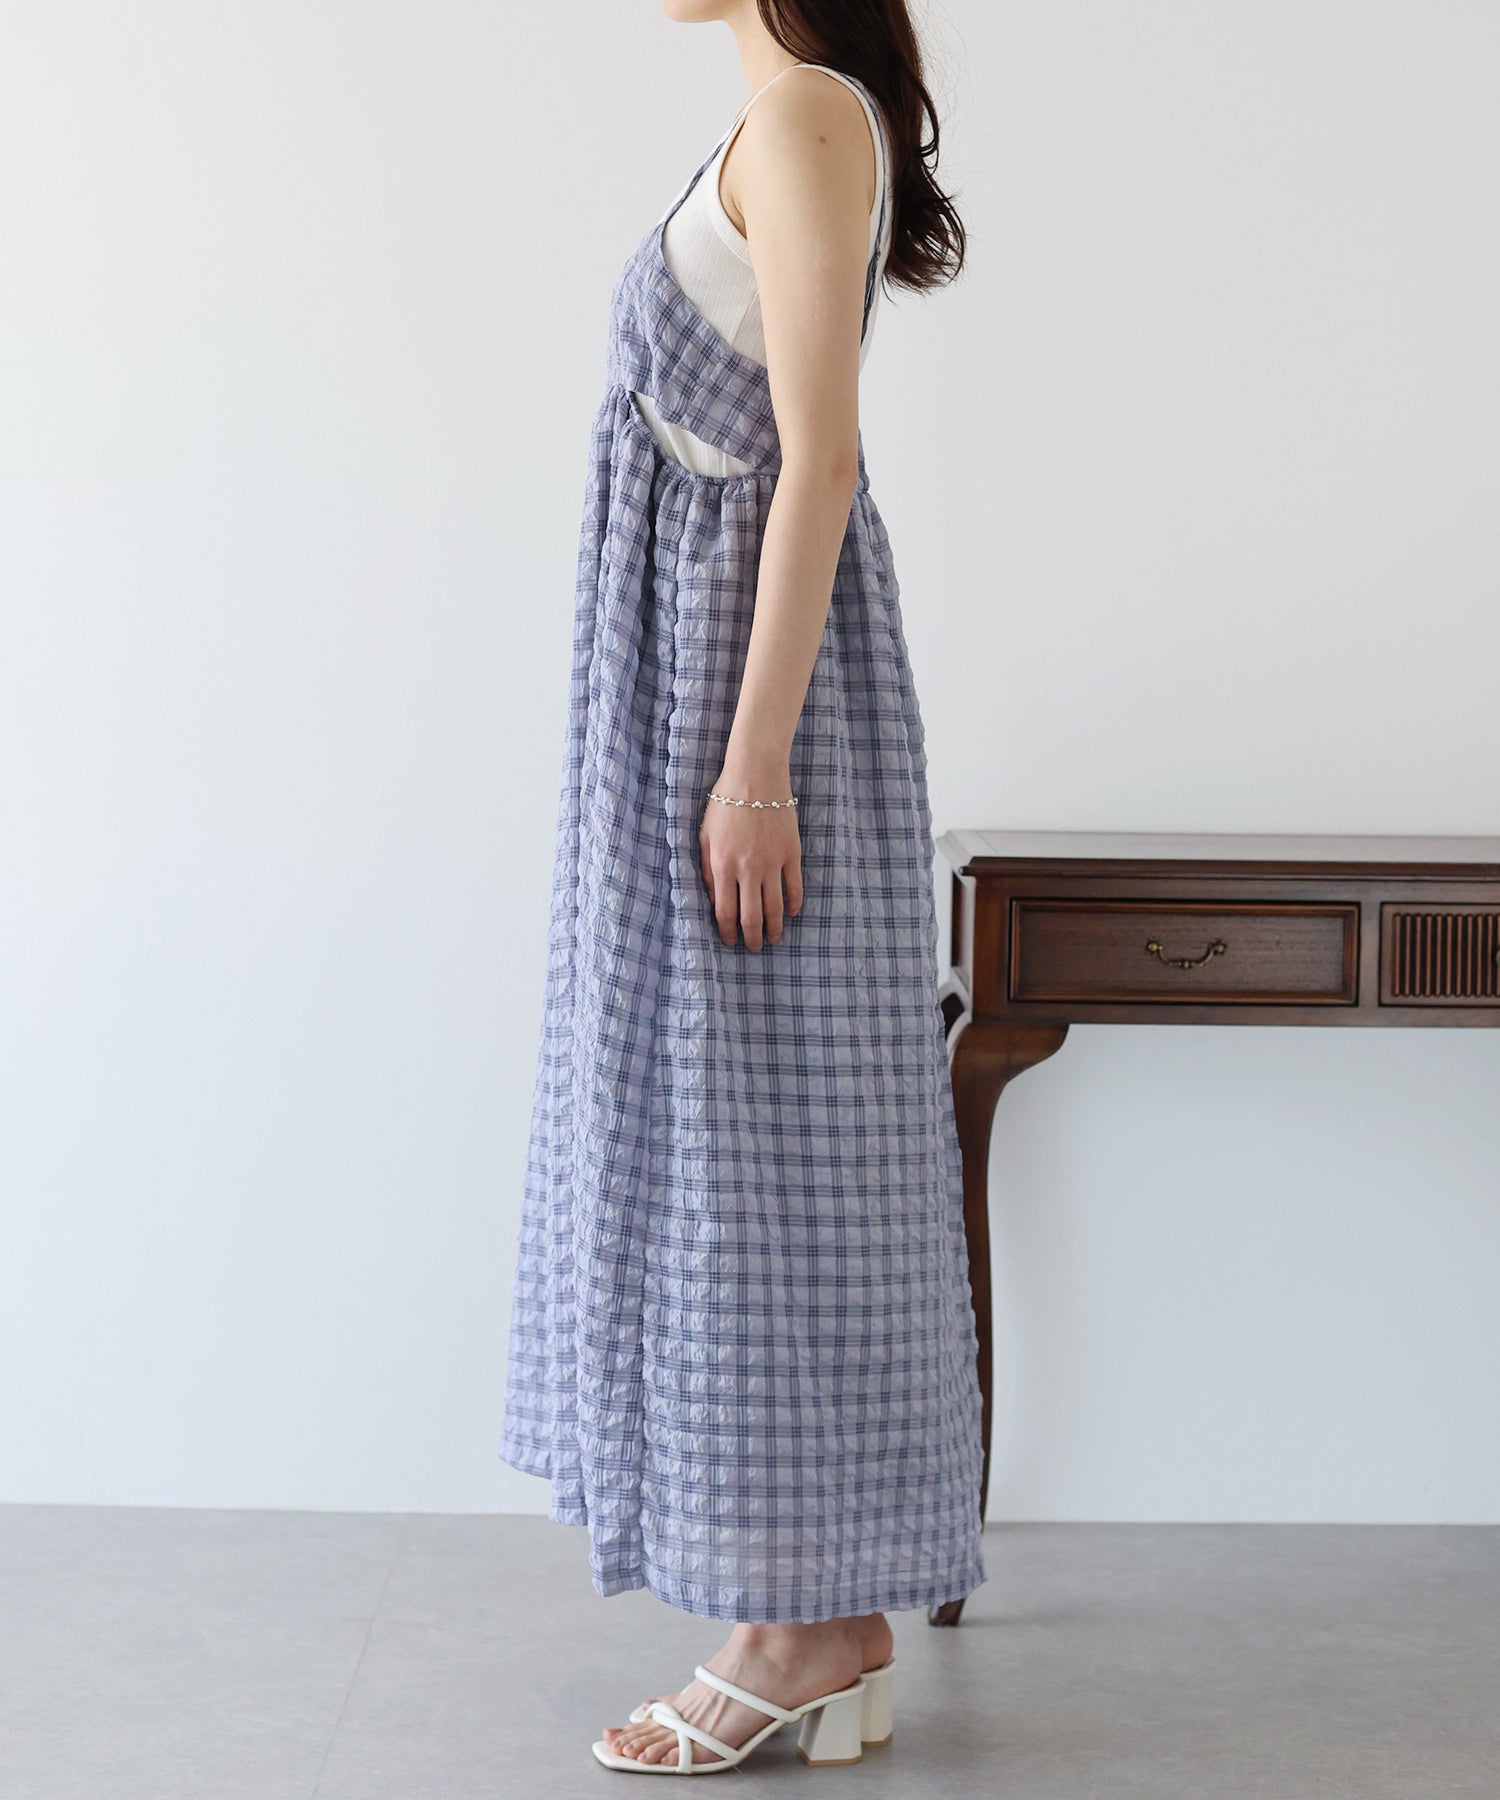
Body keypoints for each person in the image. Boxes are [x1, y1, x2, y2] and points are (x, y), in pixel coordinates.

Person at [499, 0, 984, 1773]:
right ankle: (818, 1618)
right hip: (694, 682)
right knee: (741, 1141)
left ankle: (798, 1628)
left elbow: (818, 459)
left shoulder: (803, 123)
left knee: (758, 1146)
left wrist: (756, 760)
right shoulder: (794, 118)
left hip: (742, 694)